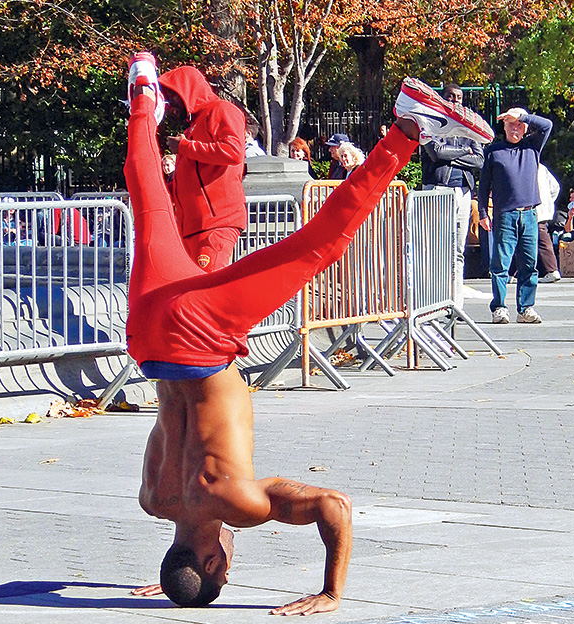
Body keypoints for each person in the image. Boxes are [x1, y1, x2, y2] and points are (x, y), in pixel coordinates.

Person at [122, 53, 493, 613]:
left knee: (321, 244)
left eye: (224, 570)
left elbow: (333, 507)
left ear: (213, 562)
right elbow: (192, 489)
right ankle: (144, 100)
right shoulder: (154, 498)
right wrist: (175, 573)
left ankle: (409, 126)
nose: (231, 559)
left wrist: (330, 591)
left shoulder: (238, 502)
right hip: (148, 335)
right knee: (147, 196)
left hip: (202, 338)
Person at [158, 66, 247, 272]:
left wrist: (184, 147)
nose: (170, 107)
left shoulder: (221, 110)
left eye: (172, 98)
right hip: (195, 227)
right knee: (198, 294)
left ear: (186, 91)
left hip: (215, 223)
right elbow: (191, 177)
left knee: (206, 293)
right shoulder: (195, 124)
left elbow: (233, 152)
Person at [478, 107, 553, 325]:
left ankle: (526, 307)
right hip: (505, 215)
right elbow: (484, 185)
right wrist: (483, 212)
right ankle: (499, 307)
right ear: (504, 125)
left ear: (526, 127)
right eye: (511, 124)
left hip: (529, 214)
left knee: (529, 264)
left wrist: (522, 116)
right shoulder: (494, 151)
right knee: (500, 263)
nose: (515, 128)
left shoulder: (532, 147)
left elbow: (547, 125)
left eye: (519, 124)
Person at [420, 82, 486, 307]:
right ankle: (434, 300)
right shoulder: (430, 122)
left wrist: (454, 154)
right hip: (438, 189)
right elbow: (435, 152)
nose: (455, 101)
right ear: (442, 97)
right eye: (450, 96)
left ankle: (455, 304)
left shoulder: (470, 127)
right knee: (436, 248)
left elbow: (479, 159)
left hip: (463, 192)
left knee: (458, 250)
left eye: (458, 97)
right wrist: (464, 152)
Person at [534, 164, 562, 282]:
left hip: (534, 209)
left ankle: (552, 270)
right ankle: (512, 272)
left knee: (541, 239)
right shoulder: (542, 167)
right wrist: (549, 201)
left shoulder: (525, 165)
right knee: (540, 238)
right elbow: (555, 187)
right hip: (543, 209)